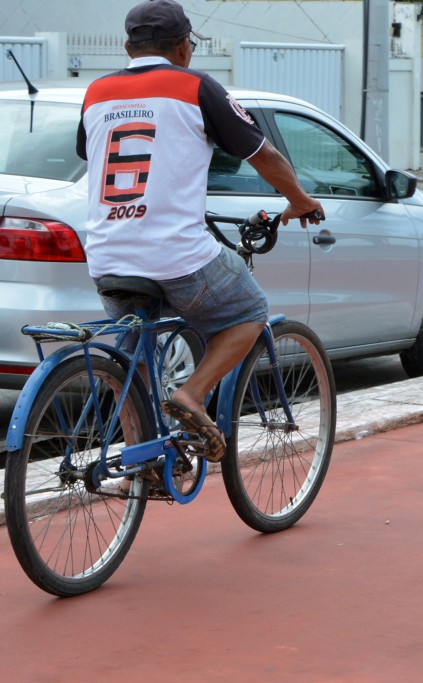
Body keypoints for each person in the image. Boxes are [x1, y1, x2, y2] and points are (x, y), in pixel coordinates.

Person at [76, 0, 324, 462]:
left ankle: (140, 460)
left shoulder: (96, 92)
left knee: (133, 361)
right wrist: (300, 200)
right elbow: (263, 155)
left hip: (107, 257)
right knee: (249, 310)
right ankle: (192, 395)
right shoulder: (195, 87)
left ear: (127, 47)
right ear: (184, 47)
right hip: (174, 257)